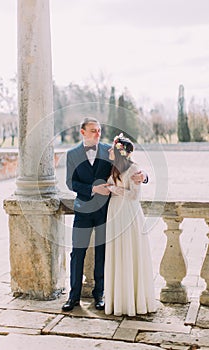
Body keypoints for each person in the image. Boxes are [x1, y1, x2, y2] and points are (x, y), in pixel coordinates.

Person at [62, 118, 147, 312]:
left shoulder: (110, 150)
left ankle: (99, 295)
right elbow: (71, 183)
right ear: (82, 132)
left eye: (99, 130)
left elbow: (129, 166)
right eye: (93, 130)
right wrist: (93, 188)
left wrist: (145, 176)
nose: (98, 133)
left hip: (106, 212)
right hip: (82, 210)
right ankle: (73, 297)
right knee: (77, 253)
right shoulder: (72, 154)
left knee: (102, 253)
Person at [104, 133, 156, 316]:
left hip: (128, 213)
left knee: (129, 252)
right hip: (114, 213)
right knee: (117, 254)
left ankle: (134, 302)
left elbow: (134, 196)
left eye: (112, 148)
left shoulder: (134, 169)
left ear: (120, 152)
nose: (109, 150)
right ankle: (118, 301)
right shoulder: (114, 167)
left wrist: (112, 188)